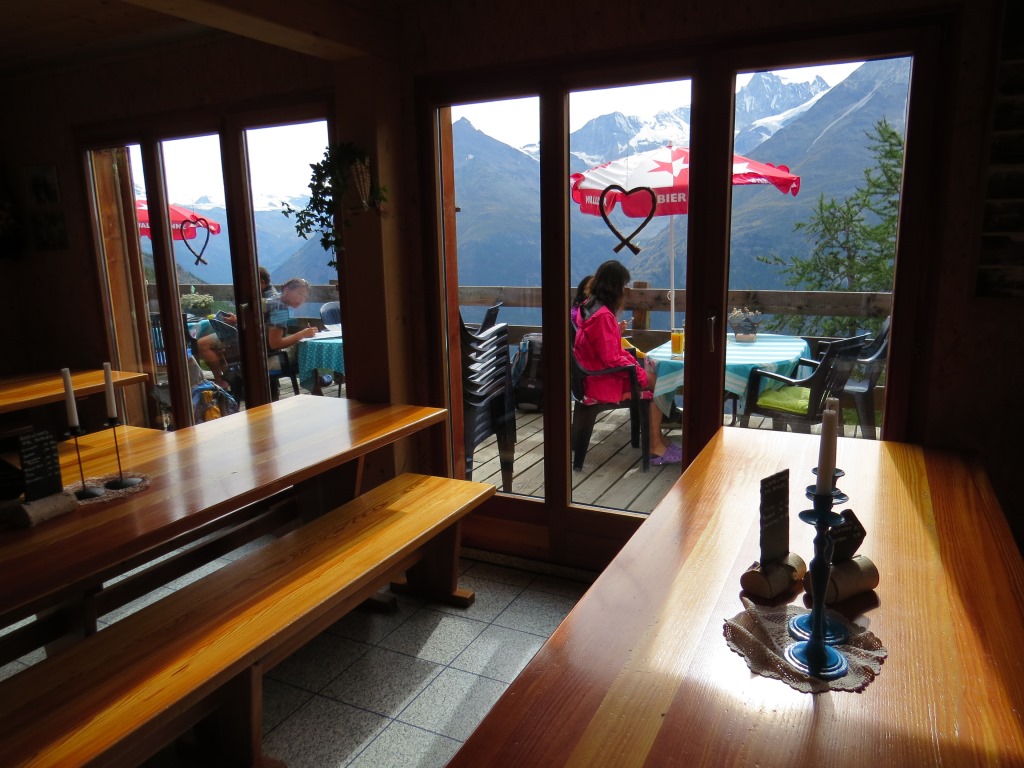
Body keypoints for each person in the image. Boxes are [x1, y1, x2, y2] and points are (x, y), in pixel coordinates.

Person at [573, 259, 679, 465]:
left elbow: (606, 349)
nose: (624, 290)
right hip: (602, 382)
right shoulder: (603, 316)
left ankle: (659, 439)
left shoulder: (589, 307)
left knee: (655, 378)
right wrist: (637, 372)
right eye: (623, 285)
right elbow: (611, 358)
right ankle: (655, 446)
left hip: (592, 375)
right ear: (614, 286)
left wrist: (633, 363)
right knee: (660, 383)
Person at [265, 277, 317, 352]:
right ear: (287, 290)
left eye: (305, 297)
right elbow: (275, 344)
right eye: (300, 293)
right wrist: (303, 334)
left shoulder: (274, 300)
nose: (302, 299)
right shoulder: (280, 307)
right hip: (267, 355)